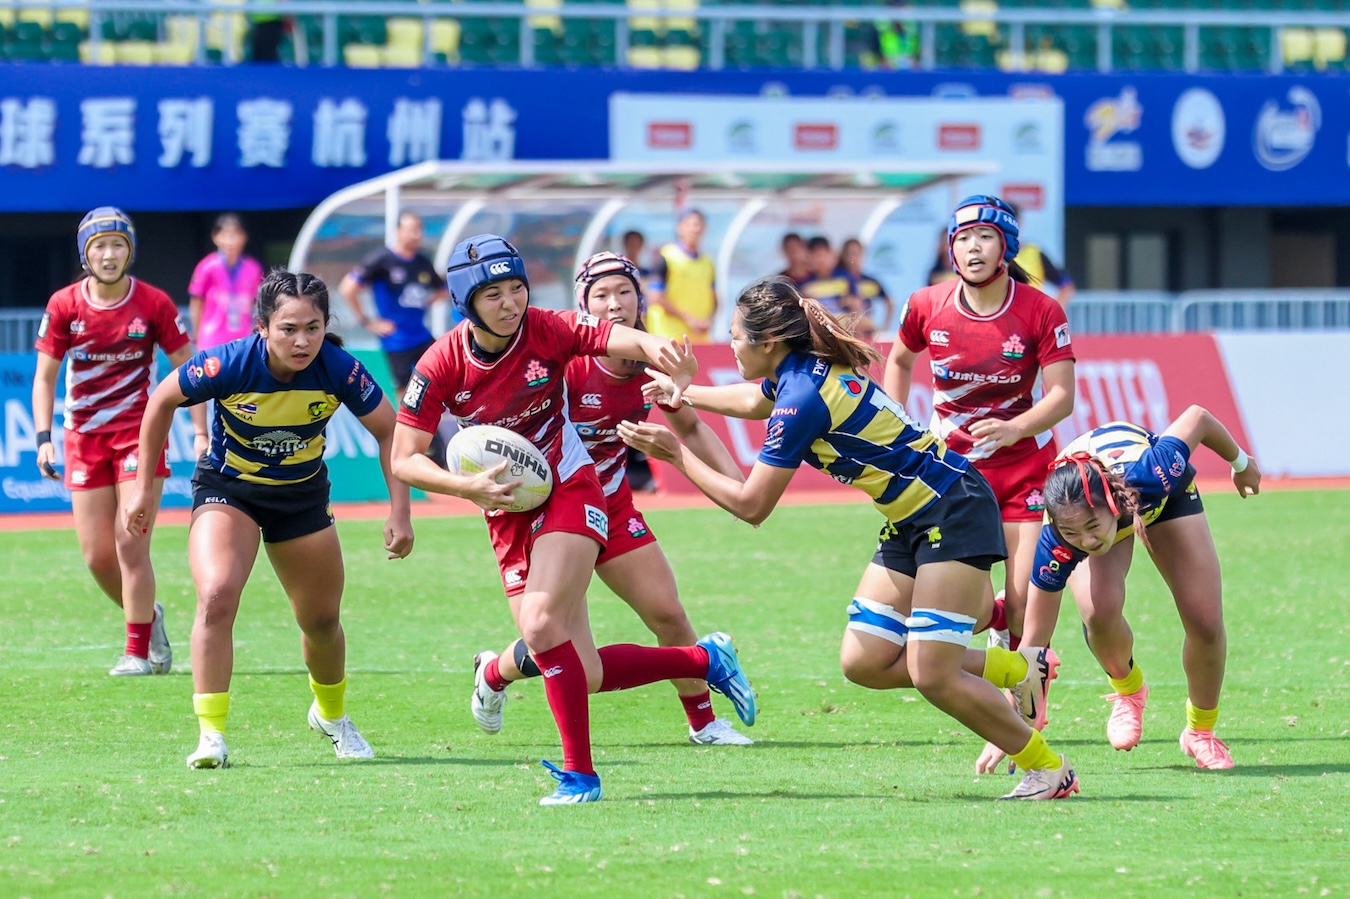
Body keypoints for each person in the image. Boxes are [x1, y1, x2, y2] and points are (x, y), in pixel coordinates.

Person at [622, 275, 1078, 801]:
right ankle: (1019, 667)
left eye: (734, 335)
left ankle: (1049, 770)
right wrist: (684, 392)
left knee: (933, 674)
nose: (729, 345)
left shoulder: (801, 397)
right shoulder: (798, 371)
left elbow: (752, 506)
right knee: (864, 661)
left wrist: (677, 456)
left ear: (767, 341)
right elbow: (754, 400)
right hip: (915, 516)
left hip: (950, 510)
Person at [390, 234, 756, 805]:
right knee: (578, 672)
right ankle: (703, 658)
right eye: (494, 294)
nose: (511, 303)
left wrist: (666, 351)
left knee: (542, 623)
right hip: (506, 509)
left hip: (569, 486)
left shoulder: (549, 327)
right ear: (466, 300)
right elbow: (404, 457)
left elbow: (619, 337)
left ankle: (581, 777)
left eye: (518, 288)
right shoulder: (440, 363)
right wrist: (467, 486)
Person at [122, 269, 415, 769]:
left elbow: (392, 432)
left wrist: (400, 512)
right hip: (228, 491)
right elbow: (161, 400)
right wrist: (142, 489)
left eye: (313, 328)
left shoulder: (340, 369)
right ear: (262, 326)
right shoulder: (229, 363)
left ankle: (332, 716)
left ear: (326, 326)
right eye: (288, 329)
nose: (302, 341)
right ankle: (211, 736)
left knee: (321, 622)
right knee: (215, 595)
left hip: (300, 499)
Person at [469, 252, 752, 747]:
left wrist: (738, 484)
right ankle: (494, 671)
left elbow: (691, 425)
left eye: (624, 292)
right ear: (583, 304)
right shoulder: (565, 360)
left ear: (640, 299)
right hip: (548, 513)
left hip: (612, 505)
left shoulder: (652, 365)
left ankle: (705, 723)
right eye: (600, 295)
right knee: (563, 650)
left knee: (667, 611)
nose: (614, 304)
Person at [884, 195, 1076, 772]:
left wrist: (1014, 426)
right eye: (963, 237)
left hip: (1024, 474)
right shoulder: (925, 304)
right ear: (951, 247)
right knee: (960, 614)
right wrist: (898, 429)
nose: (972, 246)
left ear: (1007, 247)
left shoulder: (1041, 311)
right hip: (953, 478)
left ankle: (1016, 720)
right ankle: (1006, 665)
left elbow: (1063, 398)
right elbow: (897, 361)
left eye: (986, 237)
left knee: (1022, 605)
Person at [1010, 409, 1260, 770]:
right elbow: (1033, 642)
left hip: (1157, 498)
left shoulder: (1152, 474)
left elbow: (1198, 417)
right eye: (1073, 534)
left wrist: (1240, 462)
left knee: (1205, 620)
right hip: (1088, 501)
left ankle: (1200, 734)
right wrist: (1012, 728)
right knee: (1098, 612)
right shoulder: (1060, 538)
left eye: (1092, 527)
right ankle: (1128, 690)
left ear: (1111, 507)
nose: (1086, 541)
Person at [32, 207, 194, 677]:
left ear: (131, 251)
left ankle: (137, 652)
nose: (109, 254)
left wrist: (201, 433)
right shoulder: (64, 304)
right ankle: (150, 617)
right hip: (82, 438)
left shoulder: (154, 303)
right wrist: (43, 439)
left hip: (139, 438)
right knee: (97, 557)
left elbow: (191, 370)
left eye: (118, 245)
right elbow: (45, 378)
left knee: (130, 546)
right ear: (85, 253)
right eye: (99, 245)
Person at [338, 211, 449, 398]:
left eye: (419, 229)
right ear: (398, 231)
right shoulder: (381, 259)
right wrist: (367, 322)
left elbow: (442, 289)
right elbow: (347, 288)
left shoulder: (422, 262)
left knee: (444, 373)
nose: (417, 235)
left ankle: (442, 422)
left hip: (421, 334)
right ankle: (409, 425)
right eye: (411, 229)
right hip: (396, 339)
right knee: (405, 389)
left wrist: (427, 303)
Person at [645, 209, 718, 344]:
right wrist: (689, 319)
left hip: (699, 338)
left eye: (698, 225)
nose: (695, 229)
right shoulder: (666, 257)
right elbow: (655, 297)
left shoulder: (708, 262)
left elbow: (714, 297)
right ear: (680, 228)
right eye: (690, 224)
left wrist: (708, 320)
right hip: (668, 336)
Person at [1009, 204, 1076, 309]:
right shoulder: (993, 255)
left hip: (1030, 318)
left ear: (1020, 222)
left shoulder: (1034, 253)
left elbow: (1066, 285)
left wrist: (1052, 313)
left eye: (1013, 221)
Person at [840, 237, 894, 333]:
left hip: (866, 330)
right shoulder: (838, 280)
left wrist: (885, 328)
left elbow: (889, 302)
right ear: (844, 256)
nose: (854, 258)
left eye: (858, 253)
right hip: (845, 330)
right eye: (851, 253)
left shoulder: (870, 282)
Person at [798, 236, 858, 318]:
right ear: (808, 258)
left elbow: (856, 305)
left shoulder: (845, 278)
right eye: (816, 256)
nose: (821, 260)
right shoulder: (805, 284)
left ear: (831, 254)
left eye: (823, 255)